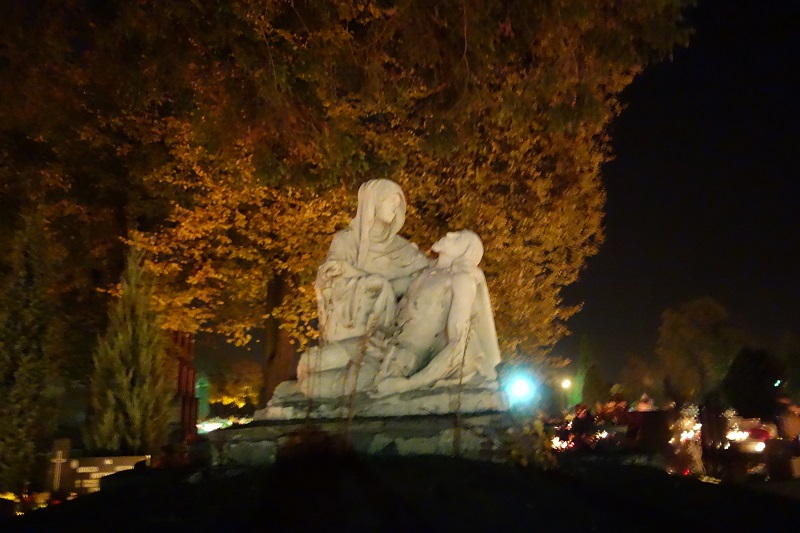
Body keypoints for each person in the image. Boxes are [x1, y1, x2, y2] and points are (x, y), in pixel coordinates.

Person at [374, 230, 501, 396]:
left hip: (405, 360)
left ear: (466, 253)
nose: (449, 234)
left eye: (458, 239)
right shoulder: (422, 270)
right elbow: (386, 287)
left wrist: (408, 385)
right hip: (380, 343)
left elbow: (458, 344)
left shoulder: (461, 280)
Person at [315, 179, 430, 343]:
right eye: (390, 201)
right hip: (354, 328)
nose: (395, 207)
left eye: (397, 203)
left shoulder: (404, 248)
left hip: (400, 333)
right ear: (374, 202)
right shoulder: (347, 241)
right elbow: (331, 278)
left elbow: (428, 273)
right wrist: (375, 284)